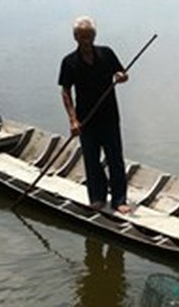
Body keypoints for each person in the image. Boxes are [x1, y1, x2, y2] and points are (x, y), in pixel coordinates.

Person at [58, 16, 132, 214]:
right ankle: (97, 197)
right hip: (86, 119)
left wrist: (121, 77)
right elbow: (66, 92)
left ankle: (119, 200)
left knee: (115, 158)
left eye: (90, 37)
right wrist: (73, 120)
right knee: (91, 159)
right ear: (75, 37)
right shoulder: (69, 62)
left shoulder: (106, 54)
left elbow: (122, 73)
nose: (86, 41)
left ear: (94, 36)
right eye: (82, 37)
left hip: (109, 116)